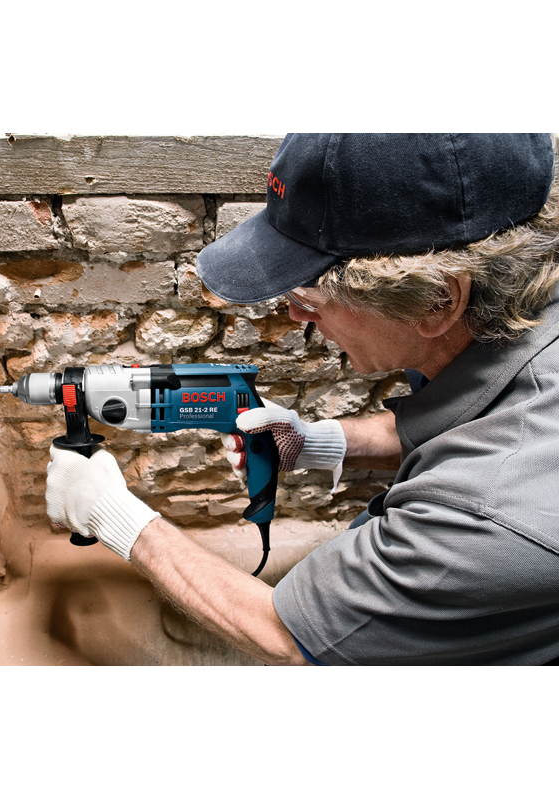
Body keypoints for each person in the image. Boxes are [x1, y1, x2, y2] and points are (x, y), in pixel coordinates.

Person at [45, 134, 559, 666]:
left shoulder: (483, 518)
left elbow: (288, 640)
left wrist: (112, 515)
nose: (295, 317)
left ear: (436, 300)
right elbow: (459, 426)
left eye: (308, 298)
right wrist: (319, 442)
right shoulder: (510, 308)